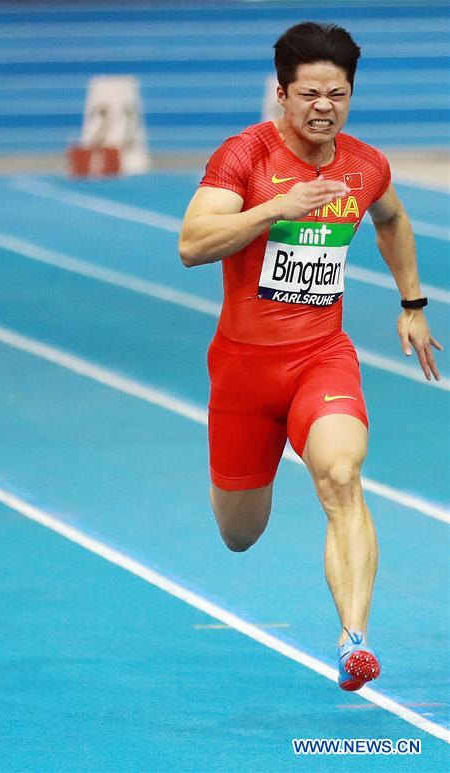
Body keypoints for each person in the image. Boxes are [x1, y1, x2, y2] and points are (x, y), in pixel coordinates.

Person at [178, 22, 441, 691]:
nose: (323, 106)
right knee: (239, 532)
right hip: (241, 370)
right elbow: (192, 242)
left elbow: (391, 219)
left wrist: (412, 303)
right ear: (280, 94)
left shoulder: (363, 164)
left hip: (320, 357)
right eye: (309, 94)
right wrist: (275, 208)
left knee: (341, 473)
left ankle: (354, 639)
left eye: (337, 93)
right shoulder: (242, 156)